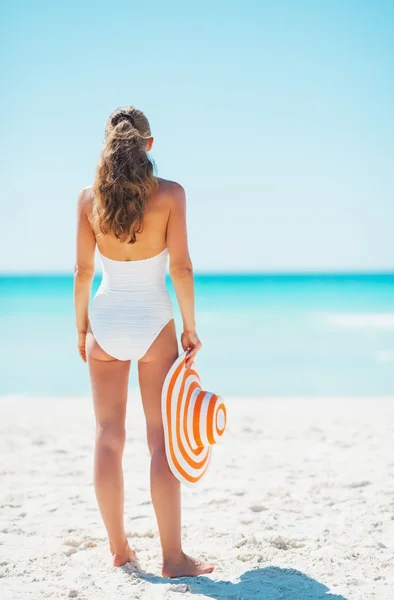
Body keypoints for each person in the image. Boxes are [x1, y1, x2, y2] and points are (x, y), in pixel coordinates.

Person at [74, 106, 214, 577]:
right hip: (155, 322)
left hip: (107, 320)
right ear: (149, 146)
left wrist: (81, 327)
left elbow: (84, 272)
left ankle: (119, 548)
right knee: (161, 441)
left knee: (108, 438)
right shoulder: (171, 195)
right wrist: (190, 326)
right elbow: (181, 269)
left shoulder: (87, 200)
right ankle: (173, 558)